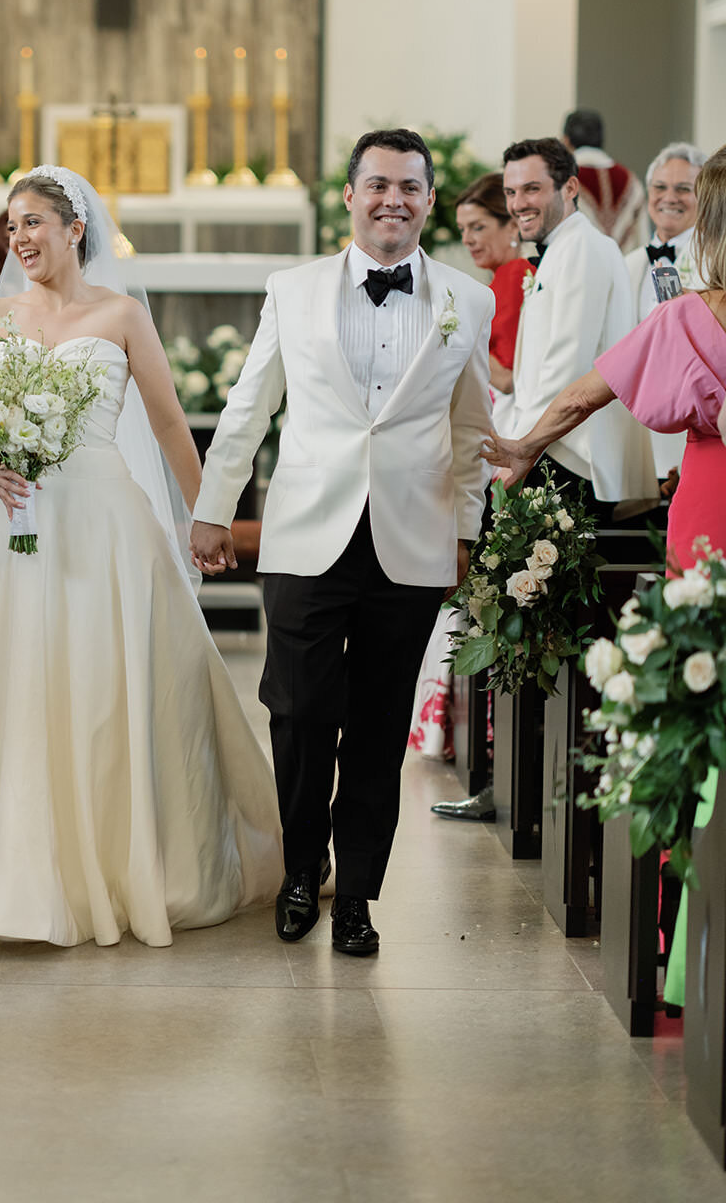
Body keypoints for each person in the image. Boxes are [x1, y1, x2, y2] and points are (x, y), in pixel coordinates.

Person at [0, 165, 283, 947]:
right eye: (12, 226)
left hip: (102, 521)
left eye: (34, 222)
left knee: (104, 686)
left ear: (76, 230)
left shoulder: (123, 316)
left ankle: (113, 864)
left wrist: (210, 516)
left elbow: (172, 427)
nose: (20, 238)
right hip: (3, 515)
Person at [190, 129, 495, 953]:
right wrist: (214, 506)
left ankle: (357, 895)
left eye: (409, 187)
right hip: (304, 535)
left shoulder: (471, 301)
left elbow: (472, 431)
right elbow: (251, 403)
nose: (392, 199)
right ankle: (300, 870)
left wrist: (467, 530)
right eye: (378, 185)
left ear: (429, 201)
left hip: (413, 536)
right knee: (298, 712)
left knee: (377, 723)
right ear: (351, 196)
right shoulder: (293, 288)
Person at [482, 144, 726, 1013]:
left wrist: (524, 445)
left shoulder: (692, 320)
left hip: (710, 518)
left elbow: (586, 395)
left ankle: (687, 944)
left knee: (695, 715)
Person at [409, 172, 531, 801]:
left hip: (500, 439)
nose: (472, 242)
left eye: (481, 228)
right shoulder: (502, 281)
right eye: (462, 233)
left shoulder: (509, 282)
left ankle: (469, 746)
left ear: (511, 226)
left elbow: (507, 376)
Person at [501, 138, 655, 516]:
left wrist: (521, 444)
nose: (518, 203)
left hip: (569, 454)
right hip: (555, 446)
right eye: (511, 192)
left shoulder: (584, 247)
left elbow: (567, 363)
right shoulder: (564, 247)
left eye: (531, 189)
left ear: (569, 188)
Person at [623, 143, 708, 485]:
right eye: (660, 187)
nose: (668, 197)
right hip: (637, 442)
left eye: (683, 189)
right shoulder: (628, 263)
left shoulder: (715, 263)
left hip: (693, 435)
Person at [562, 109, 648, 254]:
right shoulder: (631, 182)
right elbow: (643, 239)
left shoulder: (563, 181)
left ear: (566, 140)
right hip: (627, 270)